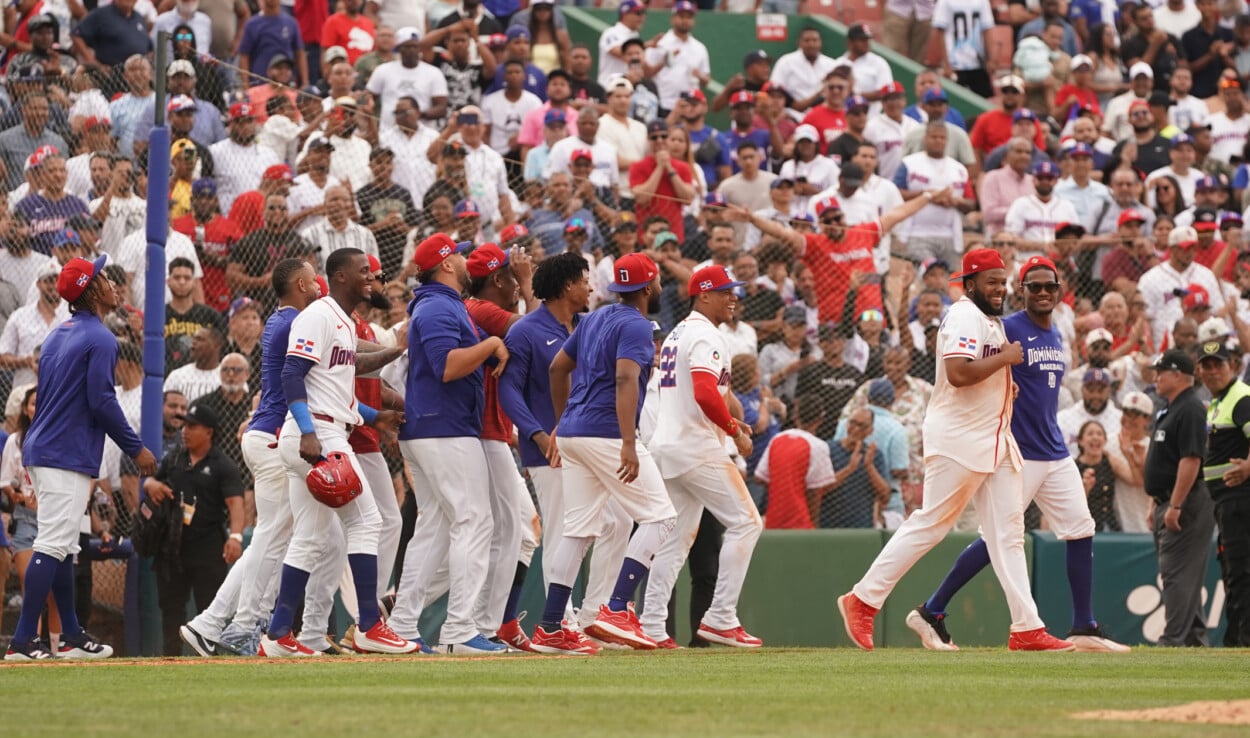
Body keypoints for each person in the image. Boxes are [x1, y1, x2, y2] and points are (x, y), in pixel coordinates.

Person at [837, 248, 1074, 652]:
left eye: (1003, 281)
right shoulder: (965, 314)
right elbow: (959, 372)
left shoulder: (988, 321)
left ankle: (1027, 627)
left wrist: (1004, 384)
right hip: (959, 440)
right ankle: (862, 599)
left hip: (994, 441)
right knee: (931, 523)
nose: (1000, 288)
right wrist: (1005, 360)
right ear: (969, 285)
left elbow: (978, 374)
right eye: (991, 282)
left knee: (1008, 534)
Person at [907, 256, 1129, 652]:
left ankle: (1083, 625)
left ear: (1060, 292)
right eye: (1034, 286)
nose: (1043, 292)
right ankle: (932, 609)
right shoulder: (1004, 326)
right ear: (1020, 291)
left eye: (1049, 286)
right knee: (996, 540)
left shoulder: (1057, 333)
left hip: (1055, 449)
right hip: (1016, 451)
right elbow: (967, 369)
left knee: (1080, 527)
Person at [259, 247, 415, 657]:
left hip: (324, 430)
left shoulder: (343, 322)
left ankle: (277, 636)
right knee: (368, 521)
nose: (371, 276)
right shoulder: (318, 314)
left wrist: (372, 417)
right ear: (340, 276)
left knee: (309, 539)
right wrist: (310, 432)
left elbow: (336, 389)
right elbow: (293, 373)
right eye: (364, 271)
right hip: (315, 436)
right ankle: (369, 625)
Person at [4, 255, 157, 660]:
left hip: (51, 448)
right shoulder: (102, 339)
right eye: (104, 277)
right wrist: (136, 448)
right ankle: (22, 641)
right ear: (92, 291)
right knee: (53, 543)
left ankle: (70, 635)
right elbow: (102, 402)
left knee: (66, 546)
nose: (112, 283)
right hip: (63, 453)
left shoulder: (58, 332)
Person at [530, 253, 678, 654]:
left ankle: (550, 628)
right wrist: (629, 442)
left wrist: (562, 424)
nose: (660, 287)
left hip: (576, 431)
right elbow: (625, 377)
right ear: (647, 288)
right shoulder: (636, 324)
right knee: (661, 517)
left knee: (578, 532)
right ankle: (616, 609)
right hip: (607, 433)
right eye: (658, 281)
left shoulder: (594, 318)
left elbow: (558, 369)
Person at [179, 259, 321, 657]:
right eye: (313, 279)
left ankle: (215, 623)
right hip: (276, 436)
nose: (318, 284)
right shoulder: (294, 322)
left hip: (267, 433)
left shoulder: (281, 319)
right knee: (273, 538)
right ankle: (238, 624)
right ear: (299, 284)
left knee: (274, 536)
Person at [386, 234, 508, 655]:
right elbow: (446, 366)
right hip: (444, 428)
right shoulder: (438, 305)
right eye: (457, 251)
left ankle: (402, 625)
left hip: (433, 428)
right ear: (447, 265)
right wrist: (491, 345)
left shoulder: (442, 302)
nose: (462, 255)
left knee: (435, 526)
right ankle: (459, 630)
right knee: (475, 521)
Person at [641, 265, 763, 649]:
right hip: (694, 446)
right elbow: (706, 393)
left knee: (676, 541)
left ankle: (652, 625)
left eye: (735, 291)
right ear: (703, 295)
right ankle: (721, 617)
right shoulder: (705, 334)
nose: (733, 298)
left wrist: (734, 420)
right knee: (747, 522)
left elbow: (711, 392)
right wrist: (733, 432)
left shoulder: (679, 331)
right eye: (726, 291)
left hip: (668, 445)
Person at [144, 403, 244, 656]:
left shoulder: (223, 465)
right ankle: (171, 658)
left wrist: (235, 537)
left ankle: (210, 657)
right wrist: (151, 485)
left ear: (209, 431)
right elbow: (152, 479)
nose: (185, 431)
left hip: (208, 547)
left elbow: (235, 503)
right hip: (172, 546)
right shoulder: (175, 458)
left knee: (208, 607)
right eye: (184, 425)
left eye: (192, 426)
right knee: (171, 608)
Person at [1144, 349, 1216, 647]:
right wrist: (1155, 503)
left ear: (1177, 375)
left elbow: (1191, 460)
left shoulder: (1190, 409)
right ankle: (1195, 638)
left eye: (1161, 371)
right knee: (1181, 573)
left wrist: (1174, 505)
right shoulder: (1171, 407)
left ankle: (1172, 640)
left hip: (1186, 502)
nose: (1156, 377)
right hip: (1166, 501)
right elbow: (1166, 461)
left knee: (1176, 574)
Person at [1193, 340, 1250, 646]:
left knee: (1241, 569)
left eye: (1219, 364)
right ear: (1199, 370)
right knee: (1233, 568)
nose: (1213, 371)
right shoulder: (1219, 401)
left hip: (1240, 497)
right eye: (1207, 365)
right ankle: (1238, 636)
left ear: (1234, 366)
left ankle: (1243, 639)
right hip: (1227, 500)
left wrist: (1248, 467)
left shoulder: (1241, 397)